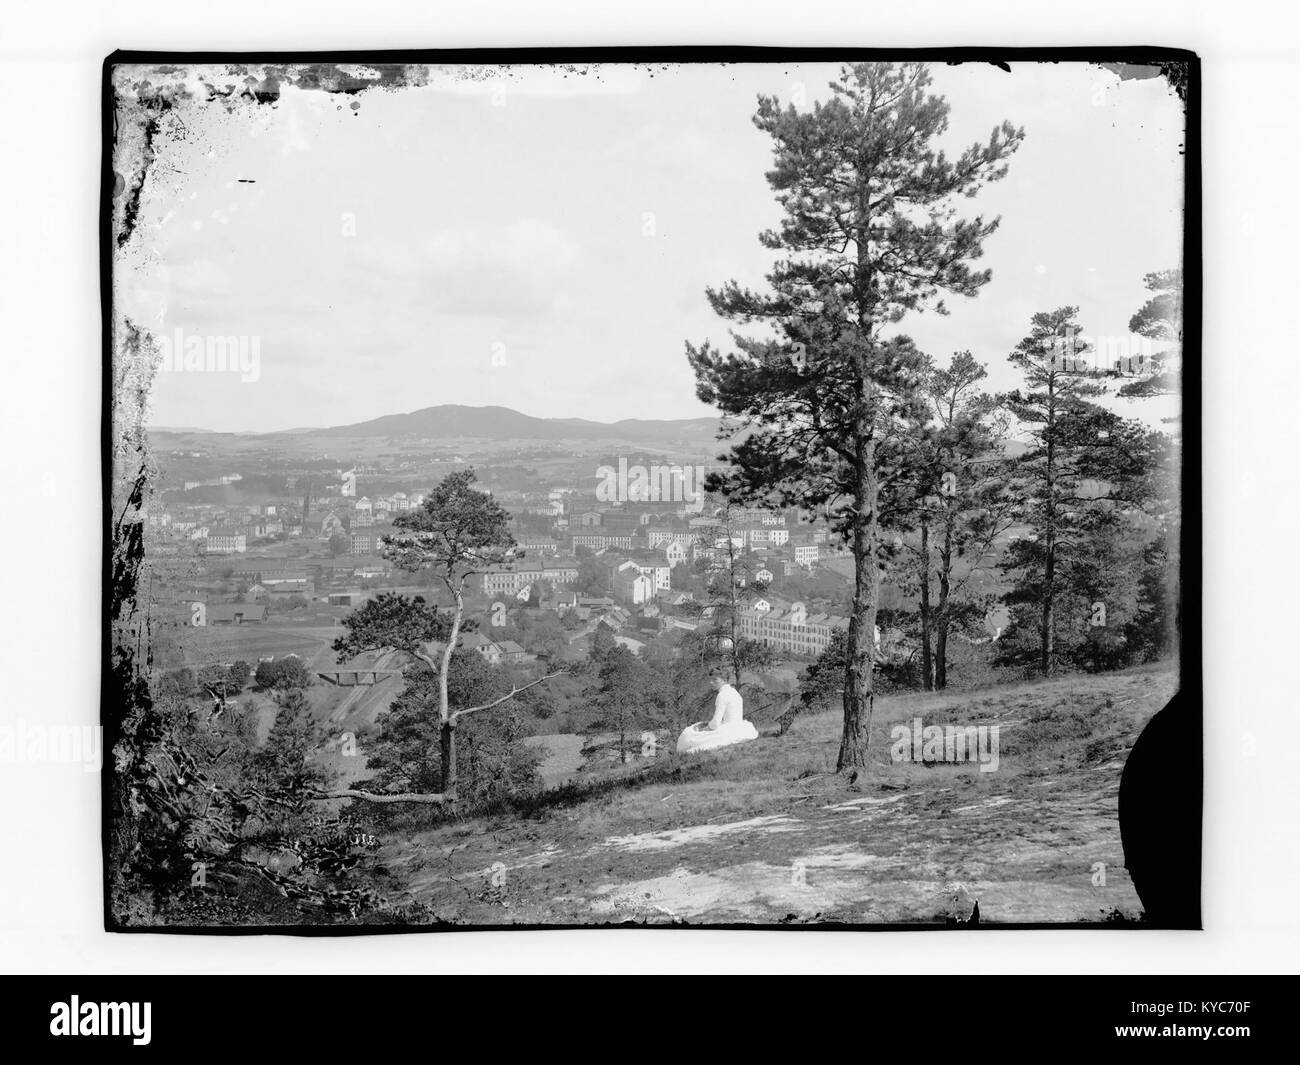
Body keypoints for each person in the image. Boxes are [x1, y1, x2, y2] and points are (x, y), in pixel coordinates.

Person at [676, 669, 759, 754]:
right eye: (710, 680)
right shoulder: (735, 692)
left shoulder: (722, 695)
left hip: (728, 729)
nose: (711, 682)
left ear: (724, 680)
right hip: (739, 726)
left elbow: (715, 723)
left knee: (687, 736)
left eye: (715, 680)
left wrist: (706, 728)